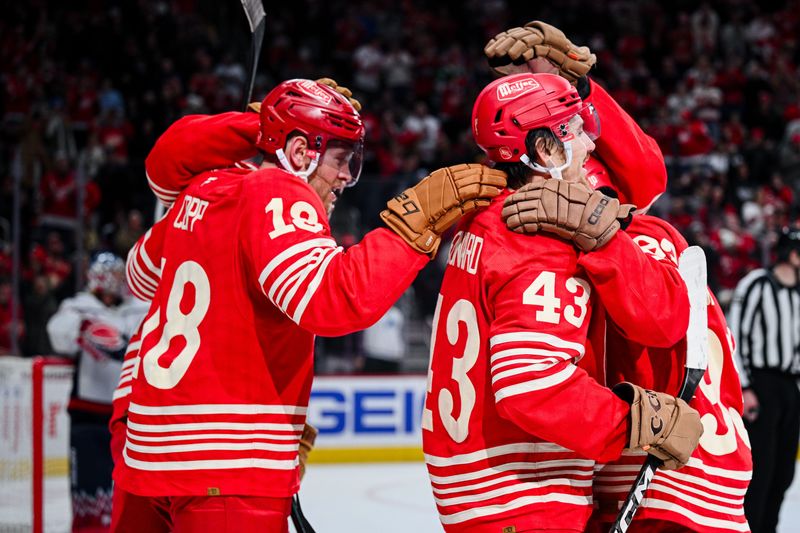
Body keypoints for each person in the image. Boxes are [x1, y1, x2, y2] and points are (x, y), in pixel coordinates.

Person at [111, 78, 505, 532]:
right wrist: (412, 224)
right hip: (228, 459)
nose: (345, 177)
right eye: (341, 160)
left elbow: (139, 274)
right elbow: (334, 301)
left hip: (148, 453)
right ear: (300, 153)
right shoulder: (278, 190)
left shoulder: (202, 191)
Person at [489, 21, 753, 532]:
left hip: (669, 480)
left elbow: (658, 319)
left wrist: (575, 89)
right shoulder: (653, 235)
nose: (586, 143)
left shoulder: (627, 241)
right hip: (705, 471)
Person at [421, 71, 703, 533]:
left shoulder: (481, 223)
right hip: (523, 493)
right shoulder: (540, 238)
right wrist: (634, 421)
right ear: (544, 150)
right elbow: (531, 385)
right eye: (573, 129)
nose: (589, 144)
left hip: (477, 486)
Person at [46, 252, 149, 531]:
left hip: (131, 419)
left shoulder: (139, 307)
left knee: (127, 495)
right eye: (112, 276)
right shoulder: (79, 306)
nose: (117, 282)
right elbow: (58, 334)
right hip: (88, 418)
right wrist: (83, 327)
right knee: (89, 494)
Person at [729, 226, 800, 533]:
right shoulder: (757, 284)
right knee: (761, 471)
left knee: (784, 473)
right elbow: (735, 334)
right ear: (792, 254)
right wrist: (744, 386)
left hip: (790, 386)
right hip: (761, 384)